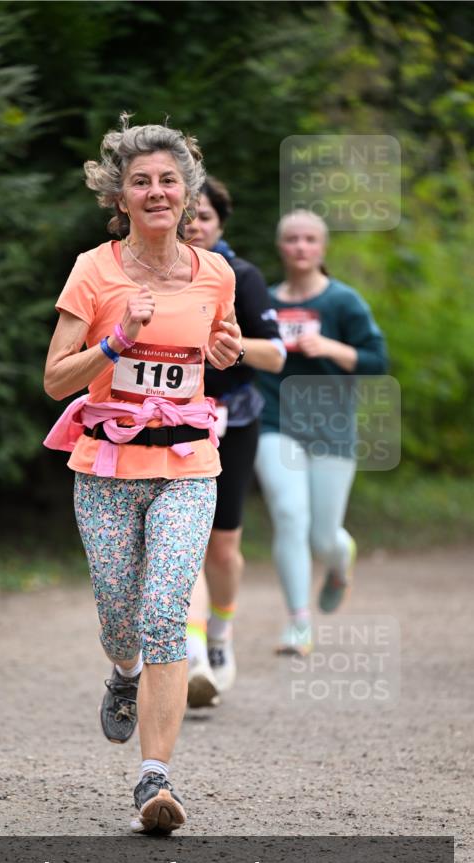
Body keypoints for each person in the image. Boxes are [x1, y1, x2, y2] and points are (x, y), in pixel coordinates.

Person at [43, 116, 243, 833]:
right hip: (104, 467)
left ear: (187, 192)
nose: (157, 192)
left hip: (188, 464)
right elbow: (56, 379)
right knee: (118, 615)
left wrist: (226, 351)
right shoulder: (92, 271)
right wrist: (116, 339)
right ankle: (121, 675)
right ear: (118, 196)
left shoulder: (214, 272)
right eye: (140, 182)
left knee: (165, 611)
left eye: (168, 180)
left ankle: (153, 780)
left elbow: (213, 353)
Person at [254, 210, 389, 655]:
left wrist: (330, 347)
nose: (301, 247)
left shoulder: (343, 302)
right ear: (281, 246)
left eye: (310, 239)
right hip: (275, 423)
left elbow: (377, 363)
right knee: (290, 515)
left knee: (322, 536)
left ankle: (339, 558)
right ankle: (298, 623)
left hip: (332, 427)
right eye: (292, 239)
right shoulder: (267, 303)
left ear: (322, 247)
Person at [183, 178, 285, 707]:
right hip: (173, 424)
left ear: (221, 222)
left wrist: (230, 343)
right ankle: (194, 655)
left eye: (204, 215)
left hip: (235, 422)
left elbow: (277, 356)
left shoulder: (242, 276)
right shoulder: (160, 275)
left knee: (222, 548)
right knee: (185, 546)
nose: (194, 224)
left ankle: (219, 637)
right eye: (188, 215)